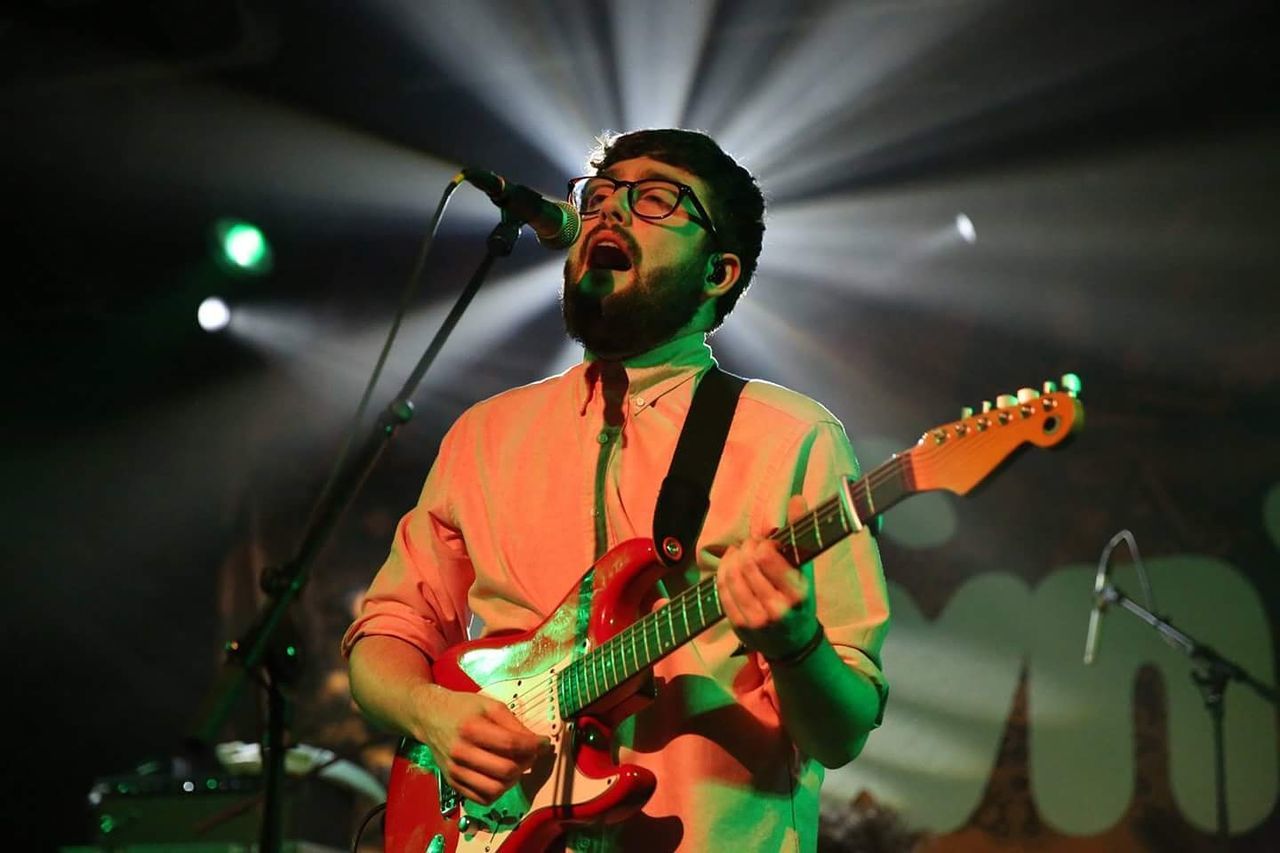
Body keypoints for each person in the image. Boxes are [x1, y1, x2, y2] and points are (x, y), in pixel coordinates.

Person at [343, 128, 890, 852]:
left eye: (656, 200)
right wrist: (433, 713)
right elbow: (386, 637)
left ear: (718, 271)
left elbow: (843, 728)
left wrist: (794, 645)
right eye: (597, 196)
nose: (609, 212)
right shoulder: (485, 434)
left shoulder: (792, 437)